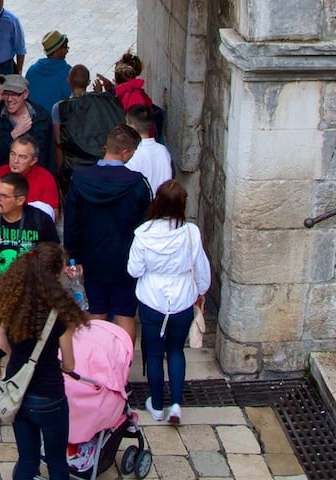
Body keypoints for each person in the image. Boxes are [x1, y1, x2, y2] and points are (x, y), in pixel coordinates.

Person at [0, 172, 60, 438]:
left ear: (20, 200)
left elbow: (56, 258)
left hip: (30, 301)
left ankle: (26, 403)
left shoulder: (39, 222)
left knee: (29, 354)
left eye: (3, 196)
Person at [0, 242, 84, 480]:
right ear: (54, 276)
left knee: (27, 461)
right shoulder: (61, 313)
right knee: (56, 461)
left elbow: (3, 346)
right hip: (49, 396)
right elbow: (69, 364)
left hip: (18, 392)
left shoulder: (9, 304)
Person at [126, 180, 209, 425]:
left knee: (153, 354)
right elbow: (201, 267)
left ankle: (157, 405)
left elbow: (134, 270)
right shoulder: (191, 232)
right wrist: (201, 290)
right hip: (182, 300)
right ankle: (175, 405)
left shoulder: (143, 233)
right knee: (175, 351)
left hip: (152, 300)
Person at [64, 125, 152, 340]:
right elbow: (147, 225)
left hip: (91, 258)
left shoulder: (80, 179)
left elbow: (72, 224)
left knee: (95, 313)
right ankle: (124, 359)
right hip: (126, 259)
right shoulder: (138, 183)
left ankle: (97, 359)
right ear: (125, 152)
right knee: (125, 314)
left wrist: (73, 258)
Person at [54, 65, 126, 194]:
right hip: (102, 165)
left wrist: (60, 173)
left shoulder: (59, 108)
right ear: (88, 82)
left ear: (68, 81)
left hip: (75, 169)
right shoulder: (105, 102)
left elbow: (58, 141)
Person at [0, 75, 56, 180]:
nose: (9, 99)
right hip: (4, 180)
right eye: (6, 93)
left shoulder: (42, 116)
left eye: (14, 94)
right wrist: (14, 134)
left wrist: (51, 181)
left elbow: (50, 154)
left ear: (25, 94)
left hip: (35, 180)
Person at [0, 135, 61, 219]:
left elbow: (53, 216)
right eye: (13, 154)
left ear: (33, 161)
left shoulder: (46, 179)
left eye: (22, 157)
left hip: (33, 225)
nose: (15, 161)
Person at [124, 105, 172, 195]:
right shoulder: (163, 151)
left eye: (126, 123)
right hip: (162, 201)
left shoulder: (132, 154)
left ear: (132, 128)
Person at [24, 31, 72, 121]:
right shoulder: (67, 71)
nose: (67, 51)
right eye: (65, 47)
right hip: (55, 123)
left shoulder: (32, 70)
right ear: (58, 50)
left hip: (34, 120)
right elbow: (72, 100)